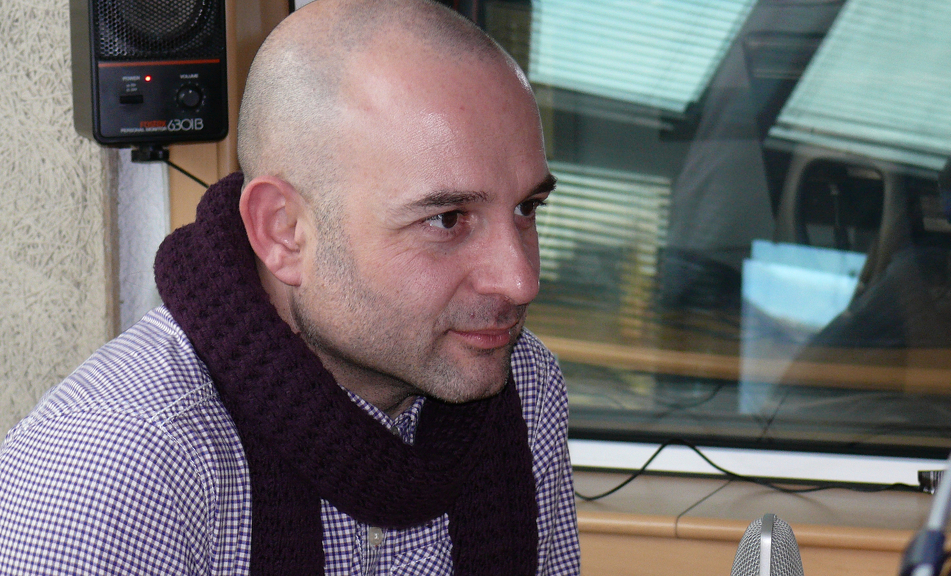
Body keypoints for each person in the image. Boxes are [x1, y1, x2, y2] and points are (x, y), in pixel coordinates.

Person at [0, 0, 581, 574]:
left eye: (527, 208)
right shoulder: (121, 468)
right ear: (283, 231)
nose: (520, 281)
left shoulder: (525, 387)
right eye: (447, 219)